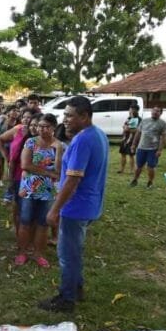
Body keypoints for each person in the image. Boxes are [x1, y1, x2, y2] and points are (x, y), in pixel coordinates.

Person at [38, 96, 108, 313]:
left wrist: (55, 209)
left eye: (69, 115)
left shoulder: (82, 140)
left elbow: (72, 179)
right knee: (74, 251)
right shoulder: (98, 135)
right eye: (64, 114)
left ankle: (66, 298)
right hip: (89, 204)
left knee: (67, 254)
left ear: (85, 116)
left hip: (75, 207)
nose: (64, 119)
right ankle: (76, 288)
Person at [16, 114, 61, 267]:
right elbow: (25, 165)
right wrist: (48, 173)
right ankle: (22, 252)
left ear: (54, 128)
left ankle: (38, 254)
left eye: (46, 126)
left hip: (48, 191)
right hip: (29, 189)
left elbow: (59, 170)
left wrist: (59, 151)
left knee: (43, 223)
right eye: (40, 126)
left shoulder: (59, 146)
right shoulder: (31, 142)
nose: (42, 129)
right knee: (25, 221)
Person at [130, 106, 166, 188]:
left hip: (153, 149)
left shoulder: (163, 124)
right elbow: (138, 134)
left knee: (151, 167)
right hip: (141, 148)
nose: (155, 112)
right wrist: (133, 145)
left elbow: (163, 138)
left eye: (157, 111)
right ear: (151, 111)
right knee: (138, 166)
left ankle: (150, 182)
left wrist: (160, 150)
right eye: (153, 110)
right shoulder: (144, 121)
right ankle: (135, 180)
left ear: (160, 113)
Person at [117, 104, 141, 174]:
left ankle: (132, 170)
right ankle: (122, 169)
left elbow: (138, 130)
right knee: (123, 153)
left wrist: (128, 129)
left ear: (135, 110)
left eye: (130, 109)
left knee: (131, 155)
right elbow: (125, 125)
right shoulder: (129, 118)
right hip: (125, 138)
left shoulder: (139, 119)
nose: (129, 111)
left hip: (133, 139)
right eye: (129, 109)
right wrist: (124, 128)